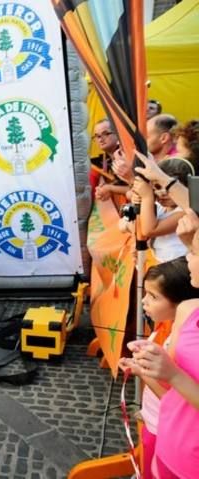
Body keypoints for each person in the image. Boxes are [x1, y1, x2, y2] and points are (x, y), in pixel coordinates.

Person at [123, 224, 199, 478]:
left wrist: (155, 373)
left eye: (195, 251)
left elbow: (172, 381)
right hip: (169, 438)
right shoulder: (188, 311)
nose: (187, 256)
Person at [130, 158, 193, 262]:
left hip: (176, 267)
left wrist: (146, 197)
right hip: (157, 260)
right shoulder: (158, 206)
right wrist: (138, 204)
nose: (162, 192)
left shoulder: (184, 212)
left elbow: (150, 230)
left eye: (168, 188)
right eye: (157, 187)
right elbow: (138, 227)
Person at [90, 119, 126, 200]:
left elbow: (136, 188)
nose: (100, 139)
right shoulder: (104, 159)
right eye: (97, 136)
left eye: (105, 134)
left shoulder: (126, 156)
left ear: (117, 134)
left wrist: (110, 188)